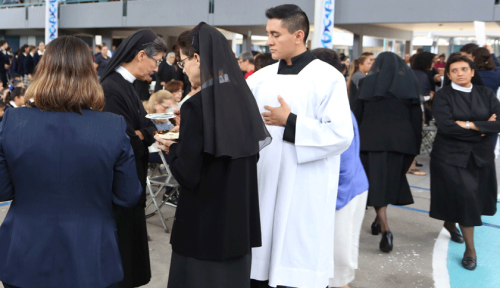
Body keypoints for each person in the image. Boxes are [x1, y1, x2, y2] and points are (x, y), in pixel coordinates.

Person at [0, 35, 142, 288]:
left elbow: (2, 190)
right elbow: (129, 195)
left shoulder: (12, 122)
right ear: (89, 74)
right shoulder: (112, 127)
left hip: (24, 254)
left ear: (41, 71)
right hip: (92, 254)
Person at [153, 22, 271, 288]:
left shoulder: (197, 105)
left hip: (203, 227)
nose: (183, 70)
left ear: (197, 58)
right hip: (238, 222)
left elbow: (188, 173)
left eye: (182, 63)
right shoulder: (243, 97)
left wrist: (172, 148)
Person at [248, 5, 353, 288]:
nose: (268, 40)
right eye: (267, 33)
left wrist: (290, 122)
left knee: (296, 253)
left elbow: (341, 134)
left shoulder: (327, 78)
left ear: (298, 35)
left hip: (305, 185)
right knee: (260, 259)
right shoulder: (259, 79)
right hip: (264, 179)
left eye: (275, 34)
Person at [100, 29, 167, 288]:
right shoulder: (111, 89)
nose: (157, 68)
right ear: (141, 55)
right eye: (157, 60)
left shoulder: (125, 85)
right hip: (119, 189)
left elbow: (143, 130)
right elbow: (125, 142)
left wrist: (145, 132)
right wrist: (143, 133)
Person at [430, 54, 500, 270]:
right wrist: (482, 127)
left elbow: (498, 123)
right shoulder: (443, 96)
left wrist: (469, 125)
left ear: (472, 71)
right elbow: (447, 126)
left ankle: (450, 222)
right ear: (448, 74)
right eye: (454, 70)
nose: (459, 73)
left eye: (463, 69)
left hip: (480, 156)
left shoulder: (486, 93)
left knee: (471, 199)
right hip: (450, 157)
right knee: (467, 198)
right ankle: (471, 250)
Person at [353, 52, 422, 253]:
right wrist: (414, 150)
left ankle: (384, 228)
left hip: (370, 141)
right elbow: (417, 119)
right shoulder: (409, 84)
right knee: (388, 182)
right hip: (402, 143)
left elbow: (357, 115)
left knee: (376, 183)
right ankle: (379, 222)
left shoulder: (367, 84)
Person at [312, 48, 369, 288]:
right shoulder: (330, 100)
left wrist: (334, 202)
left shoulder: (334, 106)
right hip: (349, 187)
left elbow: (345, 164)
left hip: (344, 191)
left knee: (338, 258)